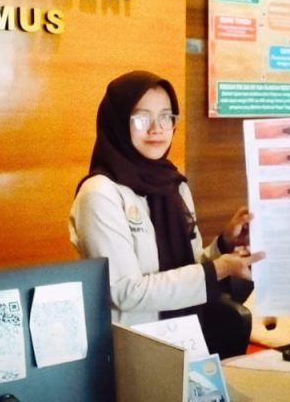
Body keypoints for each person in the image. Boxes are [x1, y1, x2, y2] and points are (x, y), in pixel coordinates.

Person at [69, 70, 262, 327]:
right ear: (117, 123)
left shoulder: (174, 185)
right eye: (141, 118)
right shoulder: (100, 194)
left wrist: (224, 244)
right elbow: (126, 292)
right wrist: (219, 269)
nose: (156, 129)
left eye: (165, 117)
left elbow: (187, 268)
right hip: (132, 343)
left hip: (186, 334)